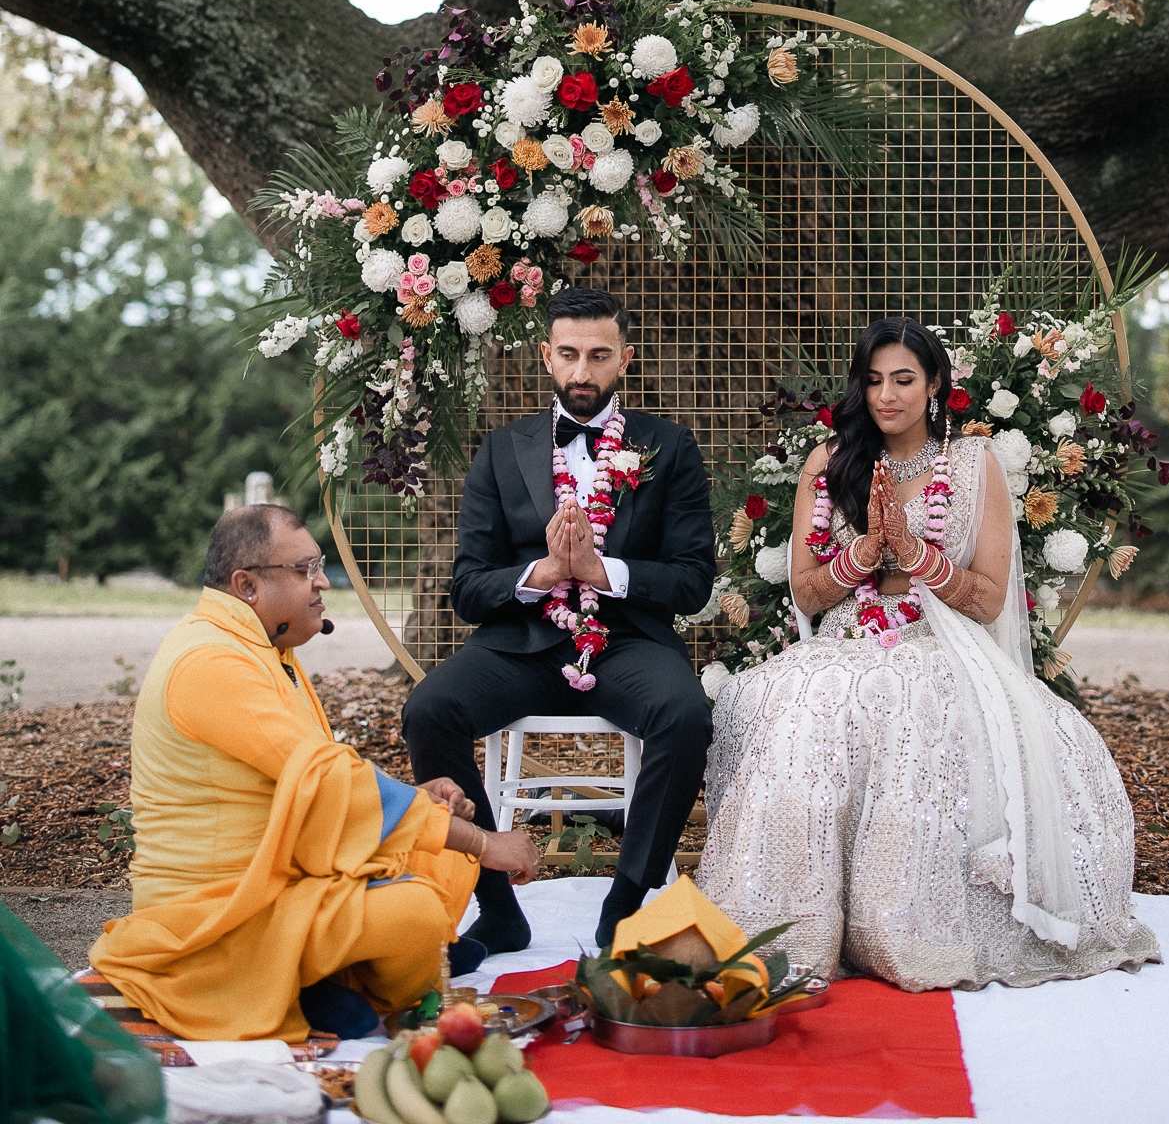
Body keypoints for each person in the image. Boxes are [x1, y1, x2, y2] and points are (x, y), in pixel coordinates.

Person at [698, 317, 1160, 990]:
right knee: (796, 700)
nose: (886, 395)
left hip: (940, 641)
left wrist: (915, 554)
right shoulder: (829, 463)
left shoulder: (973, 465)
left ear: (935, 383)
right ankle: (791, 927)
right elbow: (806, 590)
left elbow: (988, 599)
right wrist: (864, 553)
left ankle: (900, 925)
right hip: (847, 639)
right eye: (873, 380)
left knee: (911, 705)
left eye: (903, 379)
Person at [91, 504, 538, 1041]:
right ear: (247, 586)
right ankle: (286, 978)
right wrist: (483, 842)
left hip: (277, 877)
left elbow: (314, 783)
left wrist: (421, 802)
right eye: (305, 569)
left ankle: (334, 970)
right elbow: (329, 781)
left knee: (432, 851)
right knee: (418, 906)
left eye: (319, 565)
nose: (323, 582)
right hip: (218, 911)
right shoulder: (211, 661)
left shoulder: (260, 644)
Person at [403, 286, 716, 952]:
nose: (582, 371)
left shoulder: (669, 447)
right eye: (568, 354)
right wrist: (541, 573)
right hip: (522, 646)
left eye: (599, 356)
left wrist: (605, 573)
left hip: (626, 643)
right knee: (429, 711)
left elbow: (692, 582)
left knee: (686, 714)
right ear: (546, 357)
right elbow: (467, 588)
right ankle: (497, 909)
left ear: (625, 359)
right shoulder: (500, 450)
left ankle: (625, 904)